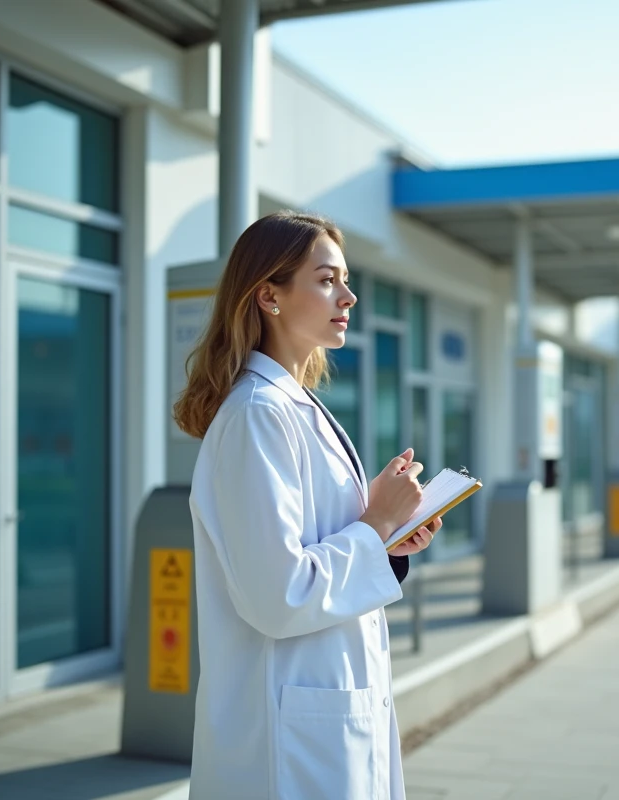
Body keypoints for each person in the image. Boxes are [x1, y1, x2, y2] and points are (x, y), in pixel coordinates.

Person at [173, 210, 439, 799]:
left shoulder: (296, 406)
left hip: (320, 714)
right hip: (283, 741)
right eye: (326, 280)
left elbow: (313, 544)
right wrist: (374, 525)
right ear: (268, 294)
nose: (349, 295)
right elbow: (279, 594)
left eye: (344, 279)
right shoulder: (256, 416)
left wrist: (386, 532)